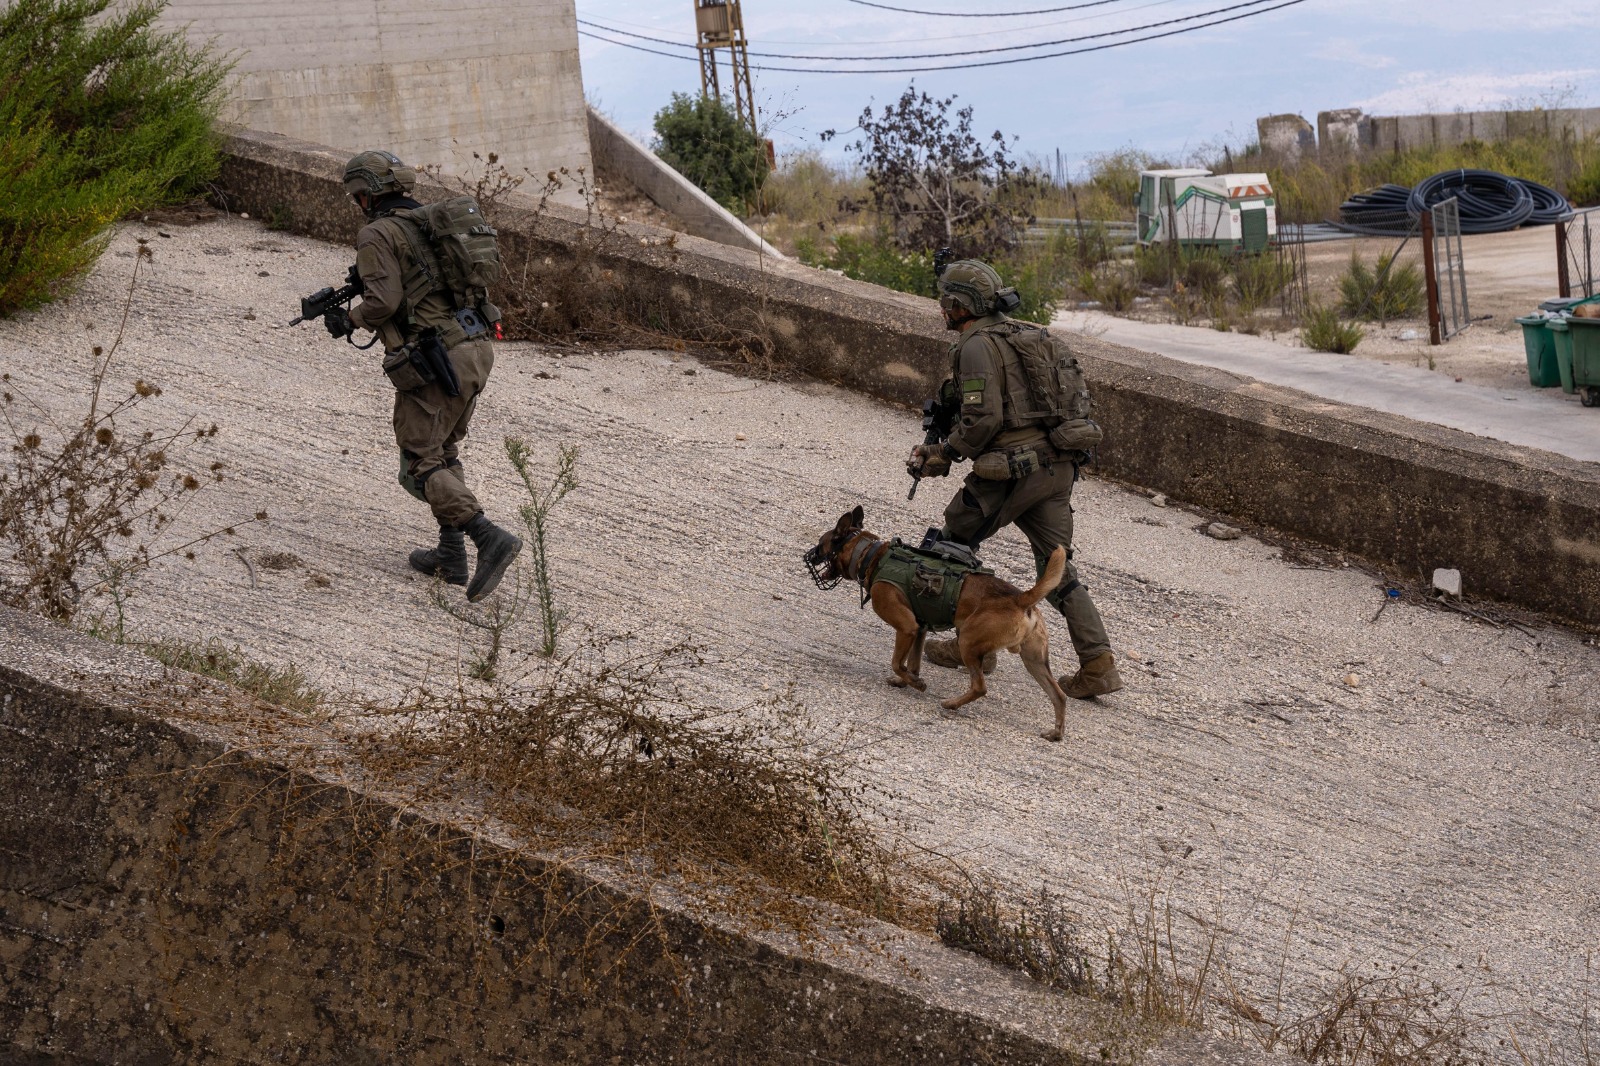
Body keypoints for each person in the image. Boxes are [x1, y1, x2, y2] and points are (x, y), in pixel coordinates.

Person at [907, 259, 1122, 699]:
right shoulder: (1023, 335)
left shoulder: (976, 346)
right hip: (1056, 467)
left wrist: (943, 453)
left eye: (946, 301)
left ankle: (977, 650)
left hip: (1011, 472)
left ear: (958, 305)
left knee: (950, 546)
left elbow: (983, 421)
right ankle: (1098, 664)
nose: (942, 309)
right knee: (1056, 567)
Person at [324, 150, 521, 603]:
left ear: (367, 193)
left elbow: (384, 303)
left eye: (356, 194)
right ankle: (449, 554)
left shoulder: (377, 232)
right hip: (475, 348)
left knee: (420, 458)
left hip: (437, 357)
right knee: (444, 448)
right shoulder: (430, 224)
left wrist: (348, 320)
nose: (356, 202)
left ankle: (487, 535)